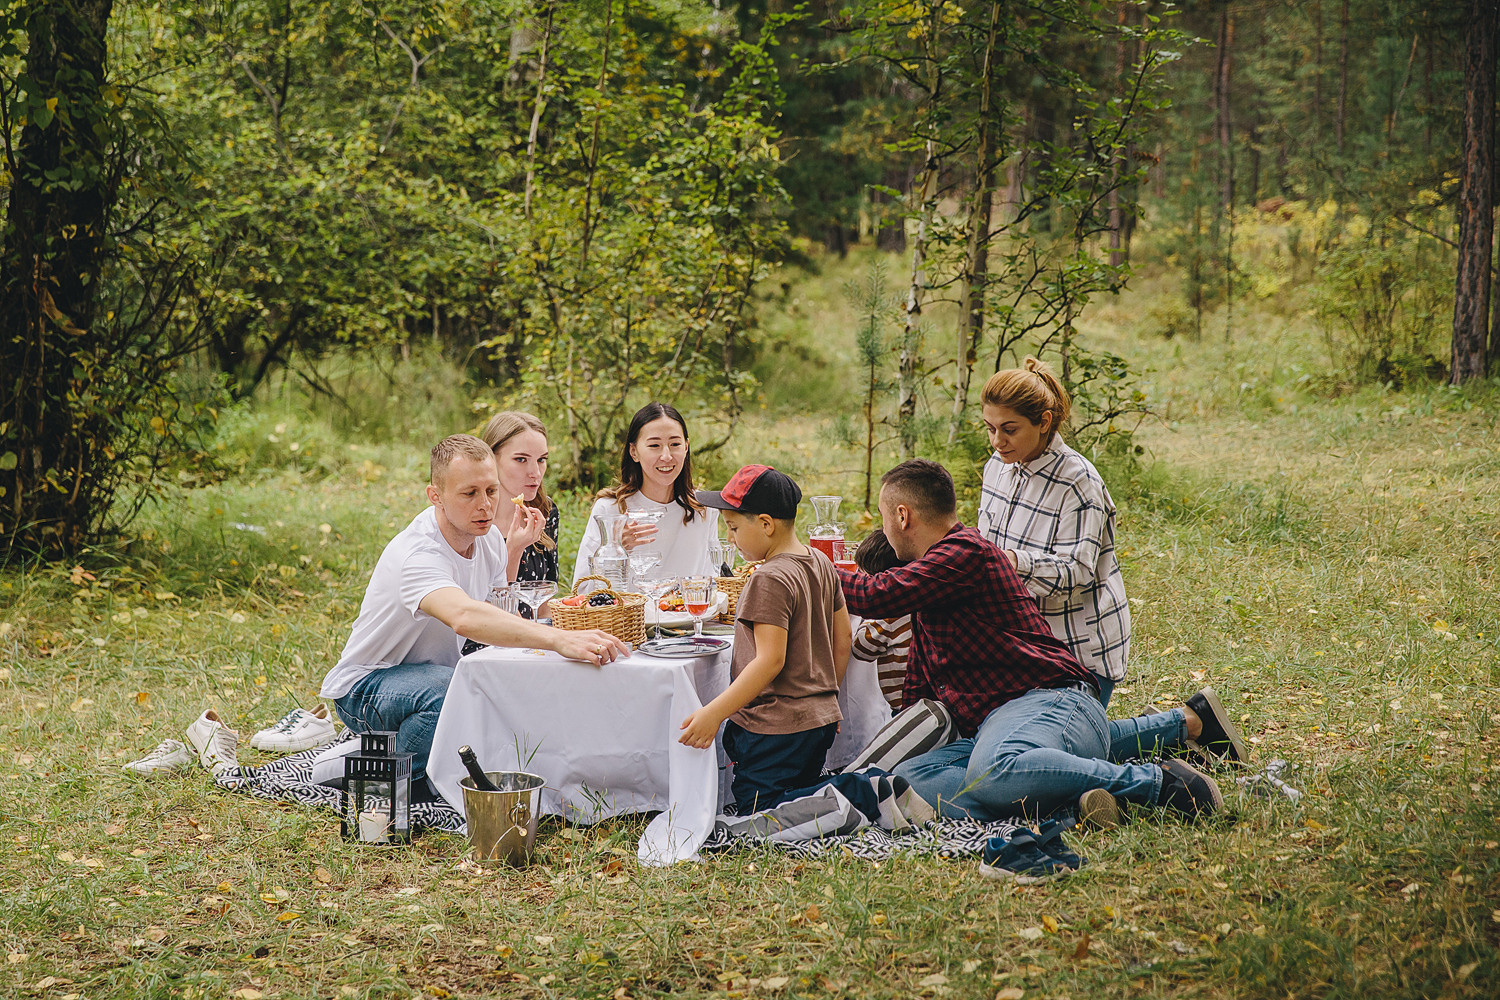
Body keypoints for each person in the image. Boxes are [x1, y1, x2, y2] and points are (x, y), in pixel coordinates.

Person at [836, 459, 1237, 825]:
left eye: (885, 518)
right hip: (996, 727)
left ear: (902, 516)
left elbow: (877, 594)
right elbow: (920, 693)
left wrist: (807, 566)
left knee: (996, 769)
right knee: (911, 781)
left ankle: (1161, 784)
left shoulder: (964, 551)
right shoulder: (931, 581)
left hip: (1049, 700)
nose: (884, 531)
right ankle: (1080, 791)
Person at [318, 434, 629, 796]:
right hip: (366, 688)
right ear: (436, 496)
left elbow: (496, 618)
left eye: (491, 491)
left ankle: (404, 758)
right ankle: (387, 777)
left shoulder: (491, 542)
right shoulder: (417, 553)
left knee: (491, 683)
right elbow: (464, 616)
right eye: (469, 494)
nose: (485, 505)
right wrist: (559, 639)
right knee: (446, 691)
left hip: (436, 677)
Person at [976, 358, 1246, 770]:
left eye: (1009, 429)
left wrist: (1010, 563)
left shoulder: (1078, 480)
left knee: (1032, 753)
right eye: (990, 428)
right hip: (1020, 648)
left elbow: (1079, 573)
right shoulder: (997, 468)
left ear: (1045, 421)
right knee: (998, 740)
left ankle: (1182, 728)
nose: (997, 441)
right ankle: (1192, 725)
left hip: (1077, 652)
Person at [678, 465, 853, 816]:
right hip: (816, 722)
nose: (730, 539)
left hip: (775, 728)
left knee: (759, 813)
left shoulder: (769, 578)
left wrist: (714, 713)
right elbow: (844, 635)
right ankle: (837, 794)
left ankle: (855, 792)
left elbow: (770, 661)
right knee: (796, 792)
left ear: (766, 524)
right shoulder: (819, 561)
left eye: (734, 528)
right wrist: (828, 696)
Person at [573, 402, 721, 584]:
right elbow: (582, 589)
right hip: (627, 613)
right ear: (634, 451)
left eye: (675, 444)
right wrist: (614, 548)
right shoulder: (610, 510)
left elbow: (714, 581)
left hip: (688, 612)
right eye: (654, 446)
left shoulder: (704, 509)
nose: (666, 456)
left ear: (686, 447)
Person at [482, 410, 558, 589]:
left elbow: (547, 596)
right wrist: (514, 550)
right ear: (491, 458)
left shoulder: (546, 510)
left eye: (541, 460)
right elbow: (483, 604)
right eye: (521, 459)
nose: (535, 473)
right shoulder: (473, 517)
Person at [849, 529, 912, 713]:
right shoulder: (912, 600)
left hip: (904, 706)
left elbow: (861, 648)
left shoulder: (889, 614)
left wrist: (869, 613)